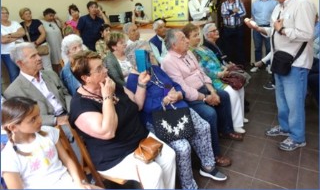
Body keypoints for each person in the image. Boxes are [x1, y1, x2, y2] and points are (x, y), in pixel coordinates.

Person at [125, 40, 228, 189]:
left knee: (204, 127)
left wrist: (177, 93)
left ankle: (208, 166)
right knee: (183, 147)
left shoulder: (155, 69)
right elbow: (144, 106)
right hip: (159, 118)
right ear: (138, 59)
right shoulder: (133, 80)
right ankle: (188, 185)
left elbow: (169, 83)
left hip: (178, 107)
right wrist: (164, 99)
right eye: (147, 52)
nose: (152, 54)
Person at [69, 50, 176, 189]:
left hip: (140, 139)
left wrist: (141, 84)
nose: (106, 70)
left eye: (103, 65)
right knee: (153, 172)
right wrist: (107, 97)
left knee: (169, 156)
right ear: (85, 78)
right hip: (115, 155)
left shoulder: (110, 83)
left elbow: (137, 104)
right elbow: (108, 132)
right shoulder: (80, 105)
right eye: (99, 69)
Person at [245, 0, 317, 151]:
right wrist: (260, 29)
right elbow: (274, 31)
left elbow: (307, 34)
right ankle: (285, 128)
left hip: (296, 63)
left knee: (295, 103)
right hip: (280, 61)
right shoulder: (279, 6)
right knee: (282, 100)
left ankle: (298, 137)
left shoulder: (303, 4)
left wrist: (283, 30)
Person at [162, 29, 241, 164]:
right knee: (209, 113)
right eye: (183, 39)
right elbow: (184, 89)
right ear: (174, 45)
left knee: (224, 95)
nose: (187, 41)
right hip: (189, 97)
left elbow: (201, 73)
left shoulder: (189, 53)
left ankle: (226, 130)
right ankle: (215, 154)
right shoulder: (168, 62)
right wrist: (205, 98)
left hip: (203, 88)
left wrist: (212, 91)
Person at [1, 96, 99, 189]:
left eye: (38, 114)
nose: (39, 120)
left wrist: (79, 183)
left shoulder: (48, 131)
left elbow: (67, 160)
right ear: (13, 127)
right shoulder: (8, 157)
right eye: (33, 119)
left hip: (69, 183)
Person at [183, 23, 248, 133]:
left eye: (198, 34)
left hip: (222, 74)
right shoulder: (191, 52)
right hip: (213, 79)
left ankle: (240, 117)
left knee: (240, 88)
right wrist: (219, 74)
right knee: (232, 92)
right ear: (187, 39)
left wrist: (224, 68)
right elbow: (202, 70)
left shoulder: (203, 47)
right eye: (195, 35)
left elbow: (216, 61)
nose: (198, 37)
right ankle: (236, 124)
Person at [3, 42, 71, 126]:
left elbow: (66, 94)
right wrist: (55, 120)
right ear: (20, 63)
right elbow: (27, 118)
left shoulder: (50, 74)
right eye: (33, 56)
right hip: (50, 126)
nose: (39, 58)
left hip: (69, 114)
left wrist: (72, 111)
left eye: (38, 54)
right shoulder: (13, 91)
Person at [203, 23, 251, 112]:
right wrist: (226, 67)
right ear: (207, 34)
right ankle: (241, 108)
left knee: (241, 77)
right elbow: (215, 65)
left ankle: (242, 106)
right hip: (219, 73)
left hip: (225, 68)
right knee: (237, 80)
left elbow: (223, 56)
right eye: (213, 31)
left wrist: (229, 63)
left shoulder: (217, 43)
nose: (217, 31)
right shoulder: (207, 47)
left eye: (216, 29)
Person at [250, 0, 278, 72]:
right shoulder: (255, 3)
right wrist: (254, 25)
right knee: (257, 48)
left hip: (269, 28)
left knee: (269, 48)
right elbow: (253, 16)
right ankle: (258, 66)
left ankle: (268, 66)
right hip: (257, 28)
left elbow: (276, 16)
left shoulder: (275, 2)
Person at [220, 0, 246, 65]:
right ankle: (230, 65)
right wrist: (234, 11)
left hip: (239, 28)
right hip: (227, 29)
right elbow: (223, 14)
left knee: (240, 47)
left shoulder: (239, 2)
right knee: (228, 48)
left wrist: (230, 12)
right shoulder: (223, 4)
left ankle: (241, 65)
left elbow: (243, 13)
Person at [1, 6, 25, 82]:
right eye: (2, 13)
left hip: (21, 51)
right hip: (8, 53)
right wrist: (17, 36)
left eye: (7, 13)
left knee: (25, 73)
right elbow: (3, 40)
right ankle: (16, 94)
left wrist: (9, 35)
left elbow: (22, 32)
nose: (5, 14)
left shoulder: (15, 23)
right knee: (14, 74)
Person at [41, 8, 63, 74]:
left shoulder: (55, 22)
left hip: (59, 44)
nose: (52, 17)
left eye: (53, 15)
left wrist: (58, 19)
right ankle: (56, 75)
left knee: (61, 60)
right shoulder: (41, 23)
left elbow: (63, 27)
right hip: (51, 45)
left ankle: (62, 74)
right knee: (53, 61)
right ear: (45, 15)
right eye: (50, 15)